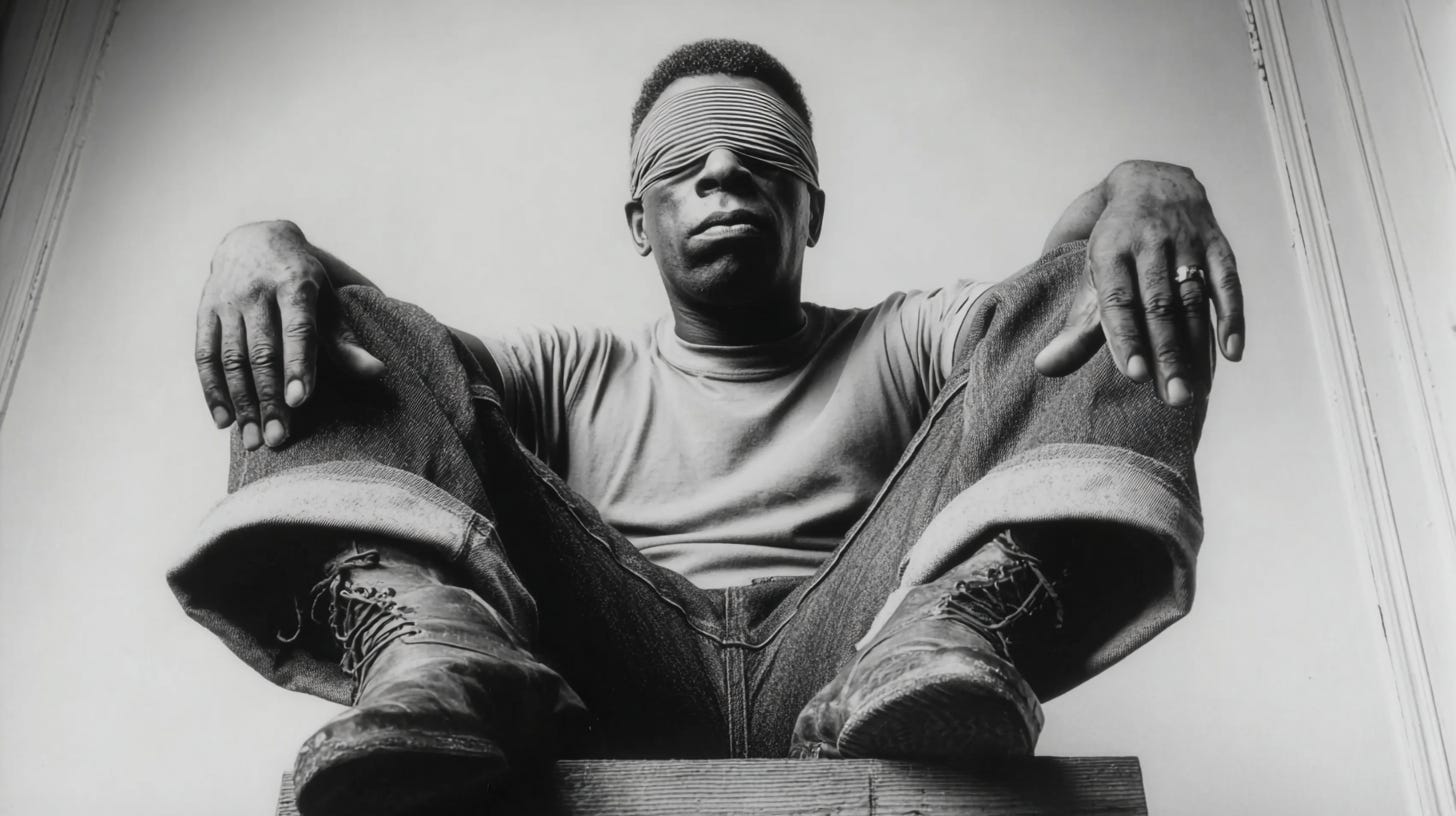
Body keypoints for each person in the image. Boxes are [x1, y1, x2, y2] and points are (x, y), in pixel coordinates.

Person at [171, 39, 1243, 816]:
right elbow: (395, 355)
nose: (722, 174)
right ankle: (435, 658)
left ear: (811, 208)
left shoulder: (904, 337)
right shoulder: (567, 370)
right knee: (318, 320)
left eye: (760, 158)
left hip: (859, 662)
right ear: (639, 223)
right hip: (614, 678)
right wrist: (266, 244)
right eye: (681, 166)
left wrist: (1138, 186)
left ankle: (964, 632)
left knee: (1113, 278)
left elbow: (1053, 299)